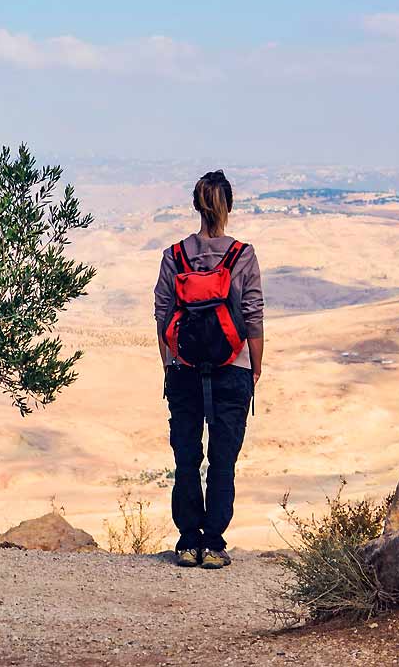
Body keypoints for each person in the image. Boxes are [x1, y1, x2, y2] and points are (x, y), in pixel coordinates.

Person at [154, 170, 263, 569]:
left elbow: (162, 314)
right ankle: (214, 544)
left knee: (186, 456)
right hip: (232, 368)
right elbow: (253, 315)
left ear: (196, 206)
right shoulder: (243, 255)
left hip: (183, 370)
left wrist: (170, 363)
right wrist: (255, 366)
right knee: (222, 458)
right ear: (228, 207)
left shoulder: (174, 255)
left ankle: (187, 541)